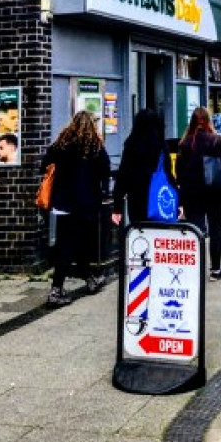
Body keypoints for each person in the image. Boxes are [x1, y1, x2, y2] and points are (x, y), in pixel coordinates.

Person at [40, 110, 111, 307]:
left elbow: (44, 164)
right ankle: (66, 287)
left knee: (68, 244)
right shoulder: (95, 146)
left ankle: (78, 283)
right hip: (85, 205)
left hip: (63, 203)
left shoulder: (62, 144)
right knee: (78, 245)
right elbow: (105, 171)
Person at [175, 106, 221, 281]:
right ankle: (216, 270)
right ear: (209, 120)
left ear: (192, 121)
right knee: (216, 229)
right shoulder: (217, 141)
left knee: (195, 230)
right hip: (215, 192)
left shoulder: (184, 143)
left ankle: (195, 271)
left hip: (192, 193)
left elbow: (179, 171)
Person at [112, 108, 175, 226]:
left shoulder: (131, 145)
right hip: (158, 198)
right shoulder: (161, 146)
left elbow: (123, 175)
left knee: (140, 236)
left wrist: (117, 207)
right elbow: (168, 174)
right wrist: (178, 201)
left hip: (136, 200)